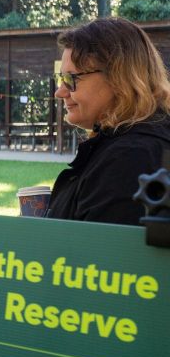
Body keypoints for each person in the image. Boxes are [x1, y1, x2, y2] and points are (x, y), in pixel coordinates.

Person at [47, 17, 170, 225]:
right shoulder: (136, 144)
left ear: (118, 78)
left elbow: (97, 254)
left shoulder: (130, 156)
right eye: (61, 79)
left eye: (71, 79)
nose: (60, 92)